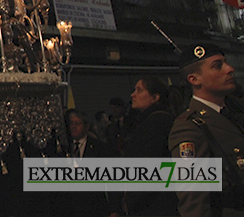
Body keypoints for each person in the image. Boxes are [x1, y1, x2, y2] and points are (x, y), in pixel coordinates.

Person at [169, 43, 244, 217]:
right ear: (194, 79)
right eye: (218, 66)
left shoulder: (234, 113)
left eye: (226, 63)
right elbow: (193, 201)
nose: (230, 69)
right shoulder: (189, 127)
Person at [123, 76, 178, 216]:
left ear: (155, 98)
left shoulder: (156, 122)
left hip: (153, 204)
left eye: (139, 90)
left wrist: (132, 200)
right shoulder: (149, 120)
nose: (133, 94)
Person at [64, 109, 120, 217]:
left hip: (94, 206)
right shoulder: (63, 148)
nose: (74, 127)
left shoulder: (100, 148)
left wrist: (114, 209)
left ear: (86, 126)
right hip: (70, 206)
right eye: (71, 124)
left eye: (78, 123)